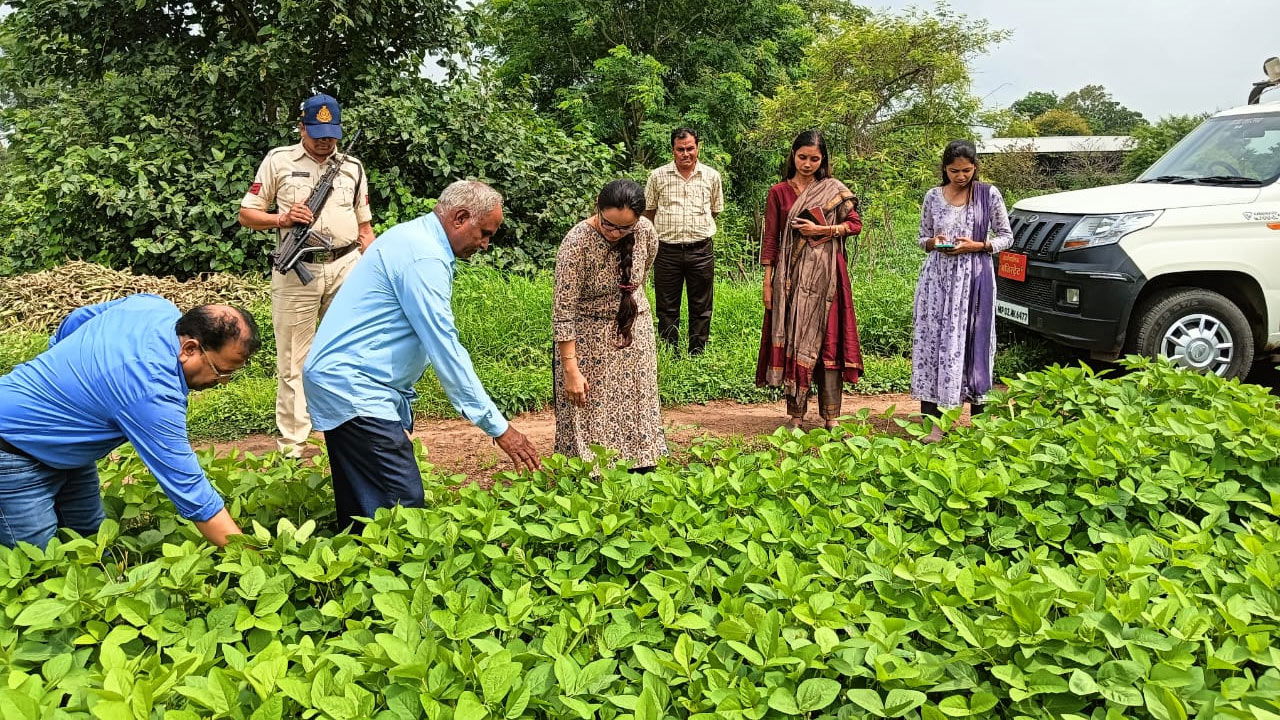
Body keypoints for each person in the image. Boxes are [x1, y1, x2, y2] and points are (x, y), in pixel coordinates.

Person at [303, 180, 541, 530]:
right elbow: (444, 346)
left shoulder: (415, 239)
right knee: (402, 504)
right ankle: (390, 577)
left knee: (366, 501)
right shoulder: (423, 255)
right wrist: (499, 427)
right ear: (460, 217)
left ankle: (358, 573)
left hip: (346, 380)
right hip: (354, 385)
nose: (486, 244)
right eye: (484, 233)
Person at [0, 294, 259, 549]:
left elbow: (77, 318)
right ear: (189, 348)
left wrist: (65, 371)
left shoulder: (152, 306)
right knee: (37, 560)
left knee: (91, 540)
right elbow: (191, 491)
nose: (223, 382)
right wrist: (248, 556)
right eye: (221, 372)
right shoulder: (150, 390)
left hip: (68, 450)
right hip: (13, 450)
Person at [238, 93, 376, 458]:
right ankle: (294, 448)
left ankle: (348, 436)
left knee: (348, 353)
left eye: (331, 134)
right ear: (301, 127)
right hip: (298, 269)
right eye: (316, 133)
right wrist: (281, 219)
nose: (324, 141)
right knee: (293, 361)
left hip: (346, 266)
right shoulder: (278, 161)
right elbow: (247, 215)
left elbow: (365, 227)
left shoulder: (353, 168)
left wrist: (373, 264)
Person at [553, 180, 666, 472]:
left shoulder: (646, 232)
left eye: (624, 228)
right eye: (609, 225)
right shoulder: (576, 244)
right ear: (597, 208)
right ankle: (591, 473)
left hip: (633, 330)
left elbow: (643, 277)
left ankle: (640, 467)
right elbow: (563, 312)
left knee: (636, 402)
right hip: (587, 338)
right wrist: (571, 369)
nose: (615, 234)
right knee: (590, 406)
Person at [756, 130, 864, 430]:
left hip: (829, 278)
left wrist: (823, 232)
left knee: (829, 341)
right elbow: (771, 239)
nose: (807, 164)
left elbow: (854, 226)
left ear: (823, 160)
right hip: (790, 279)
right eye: (802, 157)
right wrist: (768, 282)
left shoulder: (833, 189)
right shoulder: (779, 192)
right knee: (795, 337)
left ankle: (831, 416)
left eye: (814, 159)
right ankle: (796, 415)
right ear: (793, 156)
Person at [912, 139, 1014, 442]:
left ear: (975, 168)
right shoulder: (933, 196)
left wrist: (978, 245)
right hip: (937, 280)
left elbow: (1006, 237)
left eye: (966, 170)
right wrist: (934, 243)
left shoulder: (988, 195)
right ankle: (934, 426)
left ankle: (978, 426)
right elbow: (922, 238)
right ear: (945, 169)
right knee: (933, 345)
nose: (961, 176)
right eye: (954, 171)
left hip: (973, 281)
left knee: (972, 344)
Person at [643, 127, 725, 355]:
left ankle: (697, 351)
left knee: (701, 304)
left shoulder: (711, 176)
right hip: (666, 251)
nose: (685, 154)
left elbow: (715, 210)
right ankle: (670, 350)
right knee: (667, 305)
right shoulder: (657, 176)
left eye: (690, 148)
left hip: (701, 249)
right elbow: (648, 212)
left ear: (698, 148)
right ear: (673, 150)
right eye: (680, 149)